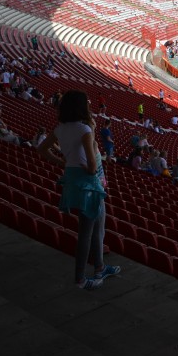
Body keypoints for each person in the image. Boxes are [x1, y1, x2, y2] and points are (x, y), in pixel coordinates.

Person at [36, 91, 120, 290]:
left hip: (79, 181)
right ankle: (80, 279)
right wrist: (91, 131)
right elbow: (91, 165)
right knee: (87, 232)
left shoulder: (61, 128)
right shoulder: (84, 129)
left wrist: (63, 162)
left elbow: (41, 149)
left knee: (97, 228)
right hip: (89, 182)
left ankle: (100, 267)